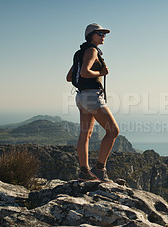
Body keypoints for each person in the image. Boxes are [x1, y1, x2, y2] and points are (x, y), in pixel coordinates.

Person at [66, 23, 124, 185]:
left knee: (85, 135)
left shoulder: (80, 52)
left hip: (81, 97)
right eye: (99, 33)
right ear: (90, 35)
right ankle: (100, 169)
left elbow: (70, 77)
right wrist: (101, 72)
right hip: (92, 97)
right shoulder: (92, 51)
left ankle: (84, 171)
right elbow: (85, 72)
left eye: (104, 34)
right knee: (113, 131)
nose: (103, 36)